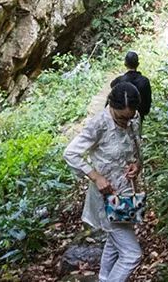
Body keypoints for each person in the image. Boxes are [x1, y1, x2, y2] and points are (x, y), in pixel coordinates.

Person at [64, 81, 144, 282]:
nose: (126, 121)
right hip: (106, 196)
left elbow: (135, 149)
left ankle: (103, 277)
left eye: (130, 116)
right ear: (111, 106)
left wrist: (136, 165)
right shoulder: (98, 124)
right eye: (121, 117)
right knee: (132, 254)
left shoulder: (134, 118)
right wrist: (95, 176)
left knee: (114, 241)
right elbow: (71, 153)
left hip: (127, 192)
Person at [111, 51, 152, 127]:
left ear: (125, 64)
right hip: (138, 116)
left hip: (121, 118)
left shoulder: (119, 81)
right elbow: (147, 102)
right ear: (138, 64)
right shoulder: (145, 81)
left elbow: (112, 90)